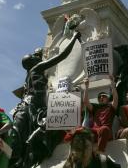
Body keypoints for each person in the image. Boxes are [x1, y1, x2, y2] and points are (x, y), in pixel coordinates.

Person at [10, 31, 81, 167]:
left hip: (33, 106)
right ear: (32, 62)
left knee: (26, 137)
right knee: (29, 135)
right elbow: (62, 56)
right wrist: (73, 38)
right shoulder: (36, 69)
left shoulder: (30, 75)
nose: (40, 57)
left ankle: (23, 160)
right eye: (36, 56)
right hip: (33, 107)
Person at [83, 75, 118, 154]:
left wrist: (112, 84)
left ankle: (100, 151)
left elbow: (115, 98)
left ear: (108, 99)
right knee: (80, 131)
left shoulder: (111, 107)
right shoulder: (95, 107)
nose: (101, 98)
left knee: (104, 129)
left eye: (104, 96)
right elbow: (85, 101)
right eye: (99, 97)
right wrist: (86, 86)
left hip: (106, 132)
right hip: (94, 132)